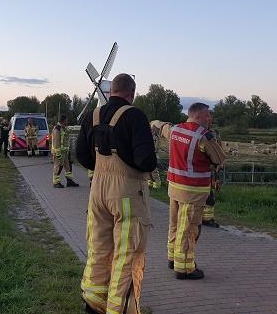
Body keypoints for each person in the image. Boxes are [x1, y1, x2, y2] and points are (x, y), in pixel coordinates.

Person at [76, 73, 156, 314]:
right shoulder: (134, 115)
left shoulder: (93, 115)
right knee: (127, 254)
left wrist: (102, 169)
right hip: (127, 194)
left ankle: (93, 302)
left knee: (98, 248)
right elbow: (146, 161)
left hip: (97, 190)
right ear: (132, 93)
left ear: (110, 92)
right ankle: (119, 309)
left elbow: (82, 155)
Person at [151, 104, 225, 280]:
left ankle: (172, 258)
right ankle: (185, 268)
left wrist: (154, 123)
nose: (210, 119)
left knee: (175, 225)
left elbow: (158, 125)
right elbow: (219, 159)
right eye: (208, 116)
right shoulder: (204, 136)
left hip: (174, 187)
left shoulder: (175, 130)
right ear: (198, 116)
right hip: (193, 190)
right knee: (189, 228)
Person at [202, 111, 222, 228]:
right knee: (206, 196)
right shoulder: (200, 133)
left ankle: (207, 217)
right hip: (202, 169)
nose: (209, 120)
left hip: (212, 170)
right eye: (207, 117)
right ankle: (206, 219)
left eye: (211, 117)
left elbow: (219, 148)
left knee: (211, 194)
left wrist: (221, 162)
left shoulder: (214, 133)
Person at [52, 114, 79, 188]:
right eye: (66, 120)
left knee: (68, 167)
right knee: (58, 167)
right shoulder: (57, 129)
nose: (67, 121)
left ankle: (69, 181)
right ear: (63, 120)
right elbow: (56, 143)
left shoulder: (64, 128)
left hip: (65, 152)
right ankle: (56, 182)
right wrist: (58, 154)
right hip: (59, 153)